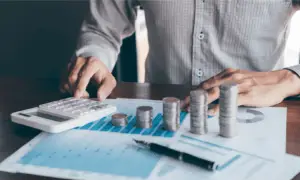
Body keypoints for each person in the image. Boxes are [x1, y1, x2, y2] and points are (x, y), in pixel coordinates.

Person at [60, 0, 300, 115]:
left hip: (255, 117)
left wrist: (290, 78)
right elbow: (102, 28)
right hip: (160, 113)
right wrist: (94, 56)